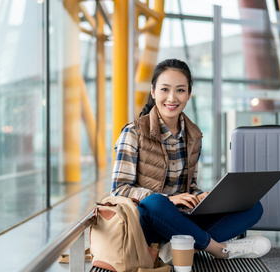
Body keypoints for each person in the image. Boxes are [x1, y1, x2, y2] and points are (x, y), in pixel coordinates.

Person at [111, 58, 271, 260]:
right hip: (147, 220)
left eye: (180, 90)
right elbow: (119, 189)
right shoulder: (133, 132)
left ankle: (179, 245)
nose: (172, 98)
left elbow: (190, 185)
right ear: (153, 92)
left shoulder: (193, 134)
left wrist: (202, 196)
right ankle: (219, 250)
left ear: (188, 94)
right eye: (164, 89)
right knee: (156, 203)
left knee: (252, 207)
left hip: (181, 218)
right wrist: (168, 200)